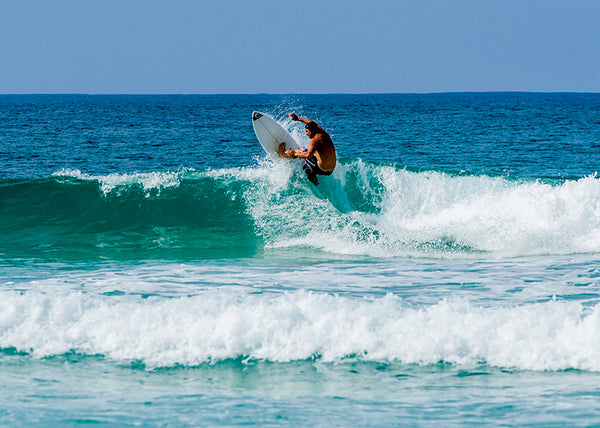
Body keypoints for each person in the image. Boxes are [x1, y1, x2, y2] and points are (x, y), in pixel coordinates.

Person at [278, 113, 336, 185]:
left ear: (313, 131)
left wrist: (294, 153)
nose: (306, 134)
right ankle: (315, 181)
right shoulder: (323, 133)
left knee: (302, 150)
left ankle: (283, 154)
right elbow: (312, 123)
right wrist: (298, 119)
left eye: (307, 131)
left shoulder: (315, 140)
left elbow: (308, 155)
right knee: (312, 166)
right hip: (331, 170)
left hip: (322, 169)